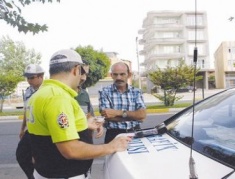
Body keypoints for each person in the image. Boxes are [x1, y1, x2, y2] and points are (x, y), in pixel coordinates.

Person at [26, 49, 131, 179]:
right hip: (65, 174)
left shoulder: (40, 94)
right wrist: (111, 146)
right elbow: (71, 149)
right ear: (76, 69)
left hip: (47, 171)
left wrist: (83, 124)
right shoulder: (58, 97)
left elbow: (48, 131)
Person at [99, 62, 147, 144]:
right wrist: (134, 116)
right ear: (111, 75)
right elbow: (107, 116)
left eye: (122, 74)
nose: (119, 77)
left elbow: (142, 115)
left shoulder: (136, 92)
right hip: (113, 134)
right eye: (115, 74)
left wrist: (118, 112)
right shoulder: (104, 92)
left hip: (135, 132)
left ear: (129, 75)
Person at [16, 64, 45, 179]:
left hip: (43, 131)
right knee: (21, 155)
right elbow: (26, 111)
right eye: (27, 78)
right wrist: (22, 128)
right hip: (31, 130)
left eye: (32, 77)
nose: (29, 80)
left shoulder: (47, 91)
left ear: (41, 76)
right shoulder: (28, 92)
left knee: (40, 158)